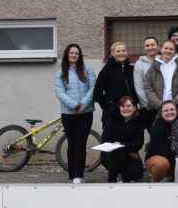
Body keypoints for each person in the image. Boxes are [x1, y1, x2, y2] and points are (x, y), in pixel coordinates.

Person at [53, 43, 97, 184]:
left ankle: (79, 175)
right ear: (67, 54)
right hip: (68, 113)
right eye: (71, 53)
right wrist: (75, 105)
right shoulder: (60, 72)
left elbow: (93, 87)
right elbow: (59, 92)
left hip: (86, 112)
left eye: (76, 53)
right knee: (72, 143)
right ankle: (72, 175)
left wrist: (83, 104)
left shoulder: (87, 69)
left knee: (80, 143)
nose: (74, 55)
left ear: (80, 55)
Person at [99, 95, 144, 183]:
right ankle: (112, 180)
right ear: (119, 108)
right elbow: (105, 139)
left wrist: (121, 144)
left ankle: (123, 175)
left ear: (134, 108)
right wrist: (126, 147)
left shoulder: (138, 121)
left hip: (130, 154)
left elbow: (139, 144)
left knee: (136, 174)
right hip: (111, 154)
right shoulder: (112, 119)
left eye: (128, 106)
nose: (125, 109)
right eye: (122, 106)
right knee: (117, 153)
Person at [93, 41, 138, 128]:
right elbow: (97, 92)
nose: (121, 53)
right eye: (118, 51)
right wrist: (108, 105)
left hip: (130, 111)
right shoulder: (107, 69)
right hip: (113, 114)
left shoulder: (131, 69)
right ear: (113, 53)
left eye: (123, 51)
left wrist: (135, 102)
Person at [143, 40, 178, 111]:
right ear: (161, 49)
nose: (168, 51)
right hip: (156, 109)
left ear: (175, 51)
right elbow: (148, 87)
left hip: (176, 108)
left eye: (171, 49)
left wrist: (174, 102)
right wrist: (159, 104)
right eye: (166, 48)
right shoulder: (153, 68)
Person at [144, 100, 177, 183]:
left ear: (177, 111)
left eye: (172, 109)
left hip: (173, 158)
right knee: (162, 163)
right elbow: (161, 151)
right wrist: (177, 159)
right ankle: (154, 182)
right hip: (157, 158)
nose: (169, 112)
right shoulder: (158, 127)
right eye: (166, 110)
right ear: (161, 113)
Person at [132, 36, 160, 131]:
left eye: (152, 45)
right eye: (147, 46)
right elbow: (139, 87)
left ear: (158, 47)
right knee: (153, 133)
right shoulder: (139, 64)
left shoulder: (163, 61)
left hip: (164, 106)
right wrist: (148, 104)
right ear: (144, 48)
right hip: (148, 108)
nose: (150, 47)